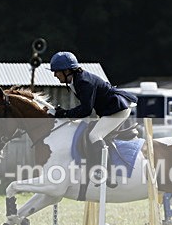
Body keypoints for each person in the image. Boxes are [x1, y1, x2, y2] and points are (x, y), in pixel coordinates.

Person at [49, 51, 137, 181]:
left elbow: (86, 110)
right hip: (110, 109)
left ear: (67, 70)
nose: (55, 75)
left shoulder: (83, 82)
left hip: (117, 109)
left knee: (94, 135)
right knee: (90, 131)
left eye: (57, 71)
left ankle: (106, 172)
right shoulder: (76, 80)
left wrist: (66, 113)